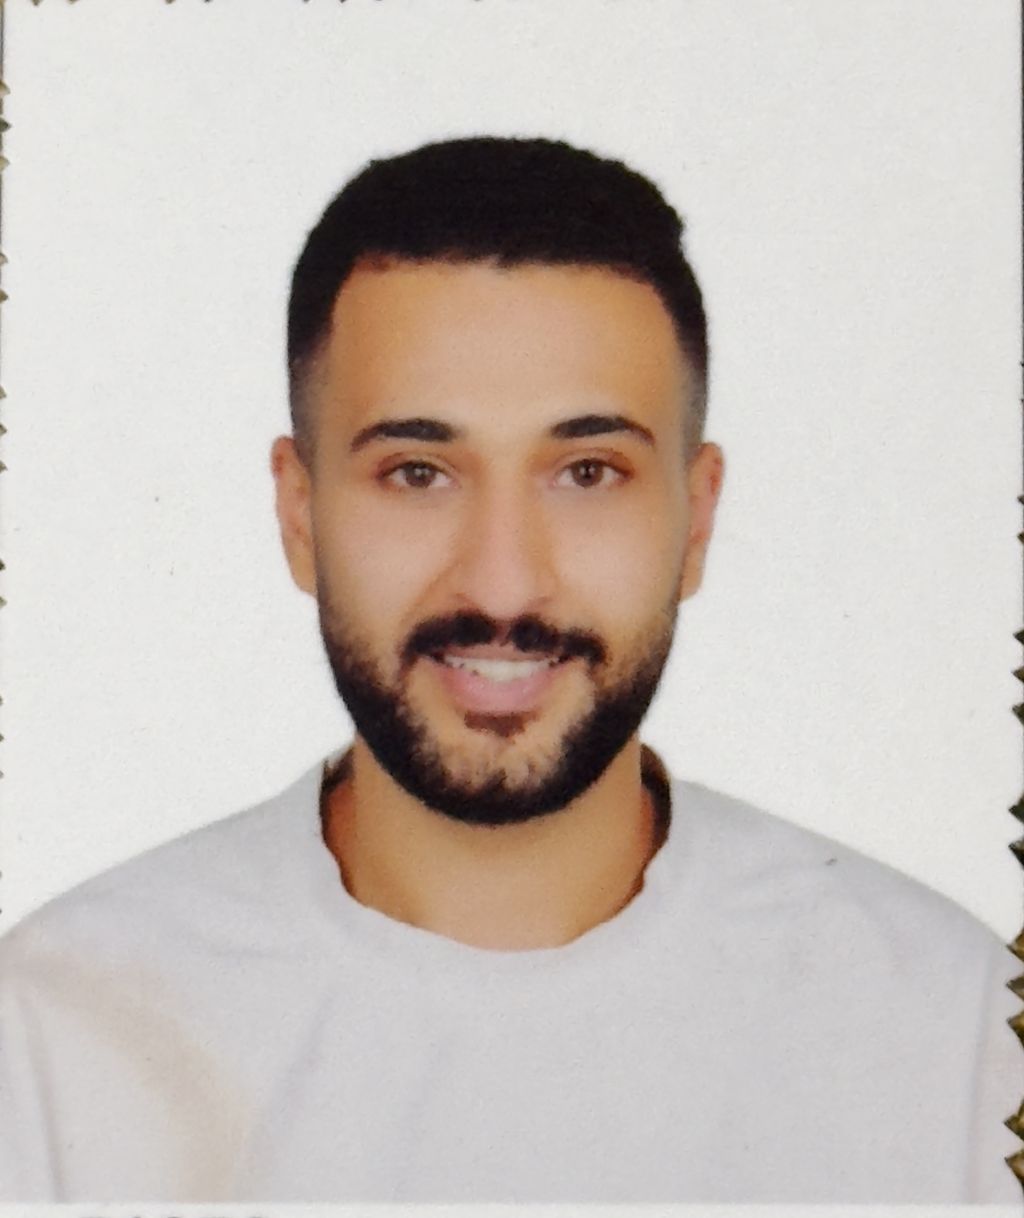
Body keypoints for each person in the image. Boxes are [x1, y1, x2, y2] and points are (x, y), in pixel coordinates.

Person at [0, 136, 1018, 1203]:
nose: (502, 584)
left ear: (696, 518)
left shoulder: (957, 1043)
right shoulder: (50, 1044)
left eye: (587, 472)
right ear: (299, 515)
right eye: (418, 472)